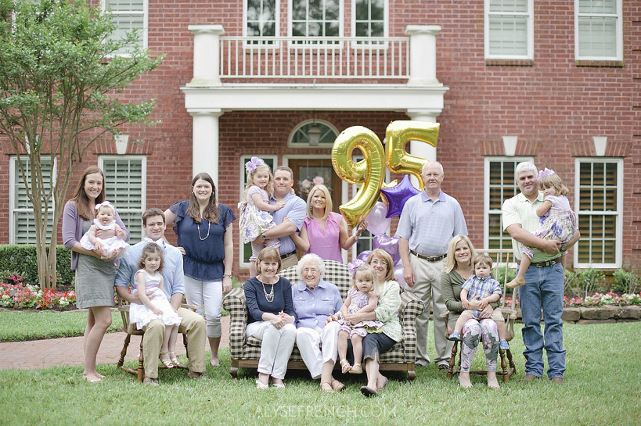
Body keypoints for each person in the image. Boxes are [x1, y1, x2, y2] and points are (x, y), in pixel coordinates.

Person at [502, 161, 580, 384]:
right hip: (528, 272)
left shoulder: (553, 200)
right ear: (517, 182)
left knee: (554, 321)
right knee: (531, 322)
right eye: (522, 178)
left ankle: (556, 372)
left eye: (530, 177)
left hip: (553, 267)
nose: (527, 181)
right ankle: (533, 369)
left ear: (538, 179)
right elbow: (516, 233)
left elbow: (572, 231)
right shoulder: (511, 204)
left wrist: (561, 249)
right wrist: (544, 244)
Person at [115, 208, 207, 385]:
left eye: (159, 223)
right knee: (157, 324)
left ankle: (196, 369)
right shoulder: (132, 253)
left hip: (169, 306)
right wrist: (134, 298)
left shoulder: (175, 254)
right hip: (145, 308)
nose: (156, 227)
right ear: (144, 227)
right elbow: (120, 284)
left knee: (197, 321)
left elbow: (179, 288)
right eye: (151, 224)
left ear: (165, 225)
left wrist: (171, 311)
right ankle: (151, 375)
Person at [397, 161, 468, 369]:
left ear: (442, 177)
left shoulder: (453, 204)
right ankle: (418, 357)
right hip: (418, 261)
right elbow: (403, 238)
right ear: (422, 177)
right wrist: (407, 267)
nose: (432, 178)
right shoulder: (412, 204)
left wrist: (458, 267)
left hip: (445, 264)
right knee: (417, 310)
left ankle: (444, 358)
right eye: (428, 174)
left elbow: (461, 238)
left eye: (436, 174)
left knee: (444, 311)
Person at [63, 166, 130, 383]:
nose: (95, 186)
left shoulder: (106, 208)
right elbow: (69, 241)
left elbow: (125, 233)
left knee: (93, 321)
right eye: (91, 182)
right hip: (89, 267)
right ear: (83, 183)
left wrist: (114, 245)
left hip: (107, 266)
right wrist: (95, 251)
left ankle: (90, 368)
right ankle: (88, 372)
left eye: (99, 183)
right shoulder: (72, 207)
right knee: (105, 320)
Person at [164, 173, 235, 367]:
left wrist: (227, 275)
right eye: (199, 186)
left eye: (206, 186)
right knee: (196, 316)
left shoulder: (224, 212)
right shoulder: (181, 208)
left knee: (213, 315)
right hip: (188, 268)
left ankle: (213, 355)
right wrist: (169, 248)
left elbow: (228, 245)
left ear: (212, 189)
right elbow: (156, 222)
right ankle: (195, 356)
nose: (203, 189)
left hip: (214, 270)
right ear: (193, 188)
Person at [328, 248, 401, 397]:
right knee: (346, 336)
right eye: (375, 262)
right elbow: (350, 305)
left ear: (388, 268)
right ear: (368, 265)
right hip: (358, 327)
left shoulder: (391, 286)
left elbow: (385, 312)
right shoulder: (359, 286)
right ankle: (379, 378)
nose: (378, 265)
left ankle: (372, 385)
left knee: (369, 338)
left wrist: (359, 317)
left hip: (385, 330)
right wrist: (336, 316)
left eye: (383, 263)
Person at [441, 235, 502, 389]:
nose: (462, 252)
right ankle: (464, 373)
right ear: (452, 253)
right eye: (458, 249)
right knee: (473, 328)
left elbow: (496, 296)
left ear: (470, 249)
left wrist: (490, 306)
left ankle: (492, 374)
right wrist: (469, 306)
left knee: (490, 326)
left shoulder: (482, 267)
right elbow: (449, 304)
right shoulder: (447, 274)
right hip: (461, 316)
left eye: (465, 248)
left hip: (484, 314)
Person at [507, 168, 578, 289]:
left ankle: (520, 277)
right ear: (517, 181)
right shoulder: (564, 198)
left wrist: (542, 208)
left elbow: (539, 212)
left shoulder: (550, 199)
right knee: (563, 249)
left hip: (554, 230)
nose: (545, 191)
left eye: (548, 188)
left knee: (528, 247)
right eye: (544, 189)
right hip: (565, 231)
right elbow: (515, 233)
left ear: (557, 187)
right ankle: (563, 271)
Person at [291, 253, 345, 393]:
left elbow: (341, 313)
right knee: (301, 333)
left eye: (313, 270)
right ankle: (329, 380)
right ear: (301, 273)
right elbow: (291, 314)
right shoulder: (294, 290)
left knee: (334, 327)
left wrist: (335, 318)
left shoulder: (332, 289)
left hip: (327, 326)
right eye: (306, 270)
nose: (309, 274)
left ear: (320, 272)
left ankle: (325, 381)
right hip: (306, 328)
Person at [244, 247, 296, 389]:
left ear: (278, 265)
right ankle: (264, 375)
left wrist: (288, 318)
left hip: (279, 323)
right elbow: (254, 311)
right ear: (259, 264)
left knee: (291, 330)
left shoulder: (284, 283)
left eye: (274, 264)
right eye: (266, 263)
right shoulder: (251, 284)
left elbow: (290, 309)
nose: (270, 268)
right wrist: (272, 318)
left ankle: (278, 376)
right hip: (256, 325)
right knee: (272, 327)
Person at [128, 243, 182, 368]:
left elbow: (163, 295)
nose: (153, 262)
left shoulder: (159, 276)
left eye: (156, 259)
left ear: (160, 261)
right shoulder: (141, 274)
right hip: (146, 305)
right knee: (167, 322)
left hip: (159, 303)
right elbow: (141, 295)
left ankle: (171, 351)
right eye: (150, 259)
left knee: (174, 320)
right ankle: (164, 351)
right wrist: (153, 308)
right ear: (143, 261)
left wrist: (170, 308)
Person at [448, 253, 510, 351]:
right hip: (473, 308)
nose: (481, 270)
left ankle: (502, 339)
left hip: (488, 309)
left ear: (491, 270)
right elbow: (464, 290)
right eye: (478, 268)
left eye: (484, 268)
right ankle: (456, 332)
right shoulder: (472, 280)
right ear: (474, 270)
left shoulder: (494, 283)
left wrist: (487, 300)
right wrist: (464, 299)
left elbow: (497, 295)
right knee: (464, 315)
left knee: (499, 319)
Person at [290, 184, 366, 262]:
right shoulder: (305, 221)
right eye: (316, 196)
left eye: (323, 197)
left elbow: (345, 245)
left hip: (334, 267)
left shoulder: (337, 219)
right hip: (313, 267)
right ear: (310, 199)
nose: (319, 199)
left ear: (327, 201)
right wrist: (291, 233)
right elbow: (305, 247)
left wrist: (358, 233)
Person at [238, 157, 284, 277]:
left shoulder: (263, 190)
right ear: (252, 178)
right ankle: (267, 275)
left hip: (259, 223)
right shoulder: (253, 189)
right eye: (259, 177)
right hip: (259, 223)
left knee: (257, 253)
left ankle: (259, 277)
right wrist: (276, 207)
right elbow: (260, 204)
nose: (263, 179)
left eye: (265, 176)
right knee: (274, 244)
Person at [336, 264, 383, 375]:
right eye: (360, 280)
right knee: (342, 333)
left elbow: (371, 306)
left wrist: (357, 314)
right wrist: (345, 314)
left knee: (356, 337)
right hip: (349, 320)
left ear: (372, 282)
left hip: (362, 322)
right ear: (355, 282)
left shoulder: (372, 294)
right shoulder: (352, 293)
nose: (364, 283)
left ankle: (357, 365)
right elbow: (345, 305)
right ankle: (343, 361)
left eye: (367, 280)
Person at [258, 166, 306, 269]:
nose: (281, 182)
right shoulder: (263, 201)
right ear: (272, 181)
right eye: (278, 179)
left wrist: (263, 236)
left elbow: (289, 227)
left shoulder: (298, 203)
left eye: (285, 179)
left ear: (291, 182)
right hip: (263, 262)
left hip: (287, 261)